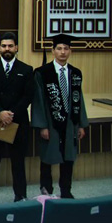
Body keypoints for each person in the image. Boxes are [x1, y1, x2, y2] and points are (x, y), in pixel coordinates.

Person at [0, 32, 34, 203]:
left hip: (17, 120)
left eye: (10, 46)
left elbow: (28, 96)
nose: (7, 49)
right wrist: (0, 112)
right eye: (4, 46)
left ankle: (20, 194)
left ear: (16, 48)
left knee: (18, 161)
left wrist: (11, 114)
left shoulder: (26, 69)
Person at [32, 33, 88, 198]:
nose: (63, 52)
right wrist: (42, 125)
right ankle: (46, 191)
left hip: (70, 122)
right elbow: (38, 101)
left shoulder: (75, 73)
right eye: (59, 48)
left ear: (70, 51)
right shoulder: (42, 73)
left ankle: (66, 191)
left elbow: (79, 99)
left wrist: (81, 124)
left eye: (66, 48)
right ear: (53, 51)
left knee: (68, 158)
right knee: (47, 158)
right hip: (50, 122)